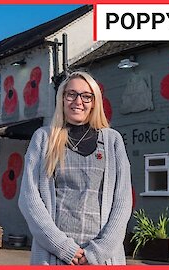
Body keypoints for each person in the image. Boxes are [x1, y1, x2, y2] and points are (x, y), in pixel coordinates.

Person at [18, 71, 132, 265]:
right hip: (53, 256)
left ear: (94, 102)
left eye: (86, 96)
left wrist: (97, 252)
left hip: (102, 259)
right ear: (62, 99)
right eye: (71, 94)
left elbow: (122, 202)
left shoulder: (112, 141)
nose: (78, 101)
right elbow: (29, 199)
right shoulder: (44, 138)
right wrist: (64, 247)